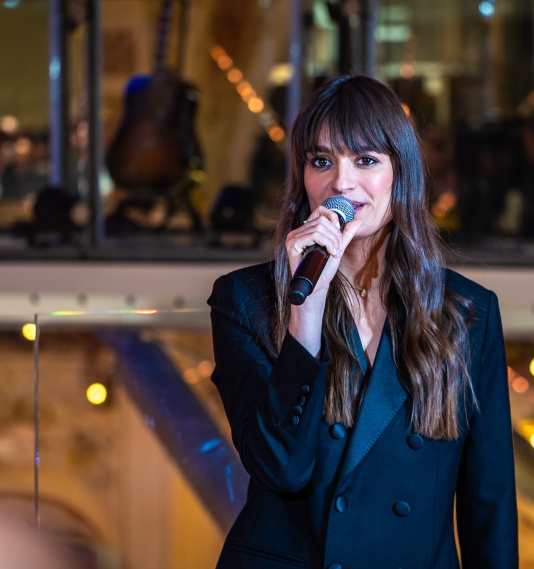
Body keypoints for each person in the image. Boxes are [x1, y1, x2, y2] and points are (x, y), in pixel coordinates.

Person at [207, 75, 518, 569]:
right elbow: (281, 468)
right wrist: (304, 314)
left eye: (366, 160)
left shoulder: (467, 311)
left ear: (402, 174)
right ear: (302, 177)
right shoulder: (246, 299)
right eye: (322, 160)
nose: (341, 184)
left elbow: (490, 501)